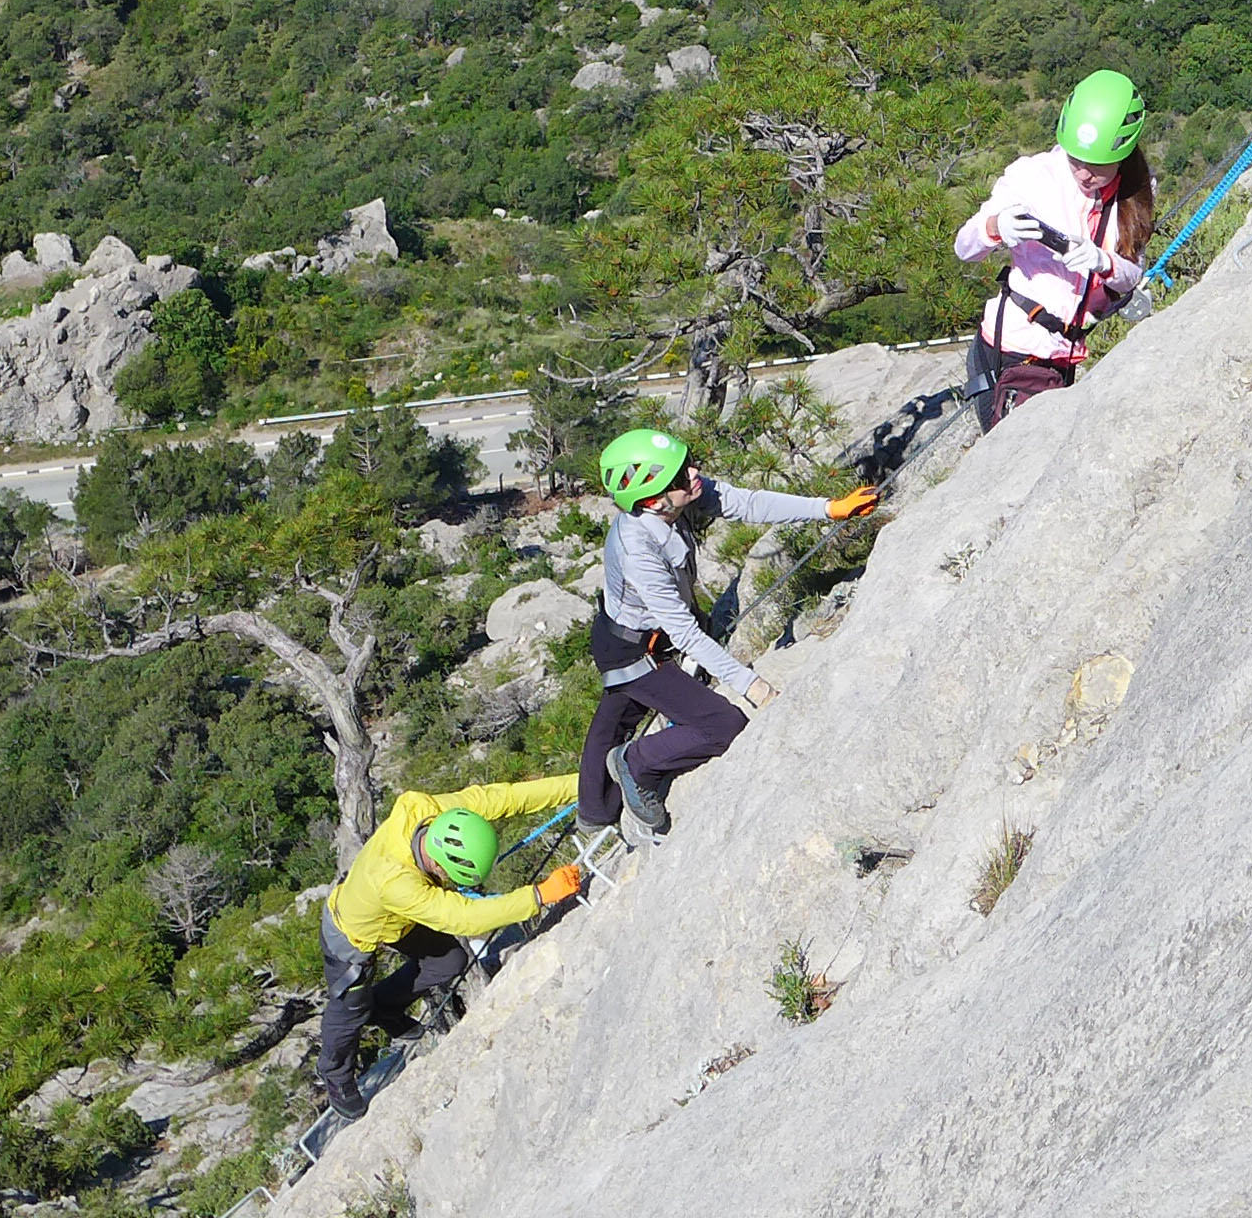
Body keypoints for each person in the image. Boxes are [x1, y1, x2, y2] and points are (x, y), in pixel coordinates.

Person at [580, 427, 880, 850]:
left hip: (651, 635)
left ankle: (595, 811)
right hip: (632, 648)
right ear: (652, 500)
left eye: (686, 465)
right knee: (722, 724)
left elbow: (748, 503)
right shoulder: (638, 550)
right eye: (681, 477)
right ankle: (636, 763)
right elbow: (683, 631)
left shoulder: (674, 498)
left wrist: (829, 508)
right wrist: (753, 686)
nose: (694, 474)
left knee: (617, 716)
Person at [312, 774, 583, 1117]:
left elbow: (508, 797)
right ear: (439, 864)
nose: (452, 884)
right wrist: (539, 895)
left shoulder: (434, 813)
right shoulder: (396, 883)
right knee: (350, 1007)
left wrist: (584, 781)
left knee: (449, 962)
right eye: (451, 878)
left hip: (395, 917)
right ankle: (334, 1072)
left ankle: (384, 1006)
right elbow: (463, 917)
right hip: (349, 930)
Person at [952, 70, 1158, 428]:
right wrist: (995, 227)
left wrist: (1102, 261)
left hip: (1065, 355)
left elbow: (1130, 276)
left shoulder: (1136, 193)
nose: (1084, 174)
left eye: (1096, 166)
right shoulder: (1033, 177)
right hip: (1014, 347)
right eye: (1075, 160)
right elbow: (964, 247)